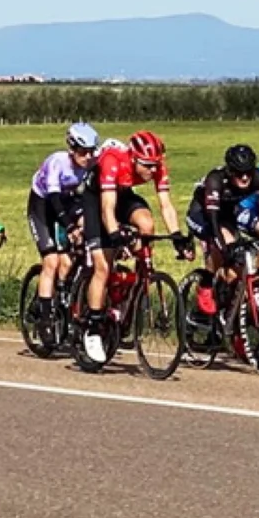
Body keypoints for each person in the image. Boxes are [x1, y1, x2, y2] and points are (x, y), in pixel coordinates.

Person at [83, 130, 187, 363]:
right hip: (97, 197)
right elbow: (107, 208)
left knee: (146, 224)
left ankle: (136, 285)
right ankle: (94, 327)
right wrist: (114, 234)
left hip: (124, 193)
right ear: (133, 158)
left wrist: (177, 236)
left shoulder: (157, 166)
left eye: (155, 165)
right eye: (147, 166)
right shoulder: (112, 160)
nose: (152, 171)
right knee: (103, 266)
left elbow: (166, 205)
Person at [189, 145, 259, 324]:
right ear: (230, 171)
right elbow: (214, 222)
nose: (245, 177)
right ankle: (206, 283)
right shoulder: (216, 179)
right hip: (203, 214)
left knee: (239, 268)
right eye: (239, 173)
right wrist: (225, 249)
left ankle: (233, 321)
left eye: (248, 172)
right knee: (224, 246)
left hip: (228, 212)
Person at [26, 123, 100, 320]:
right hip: (43, 204)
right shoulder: (57, 162)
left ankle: (63, 289)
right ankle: (44, 318)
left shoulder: (92, 164)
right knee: (51, 261)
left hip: (69, 202)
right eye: (83, 153)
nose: (88, 157)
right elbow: (54, 200)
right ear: (71, 149)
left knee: (73, 252)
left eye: (91, 152)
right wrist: (69, 226)